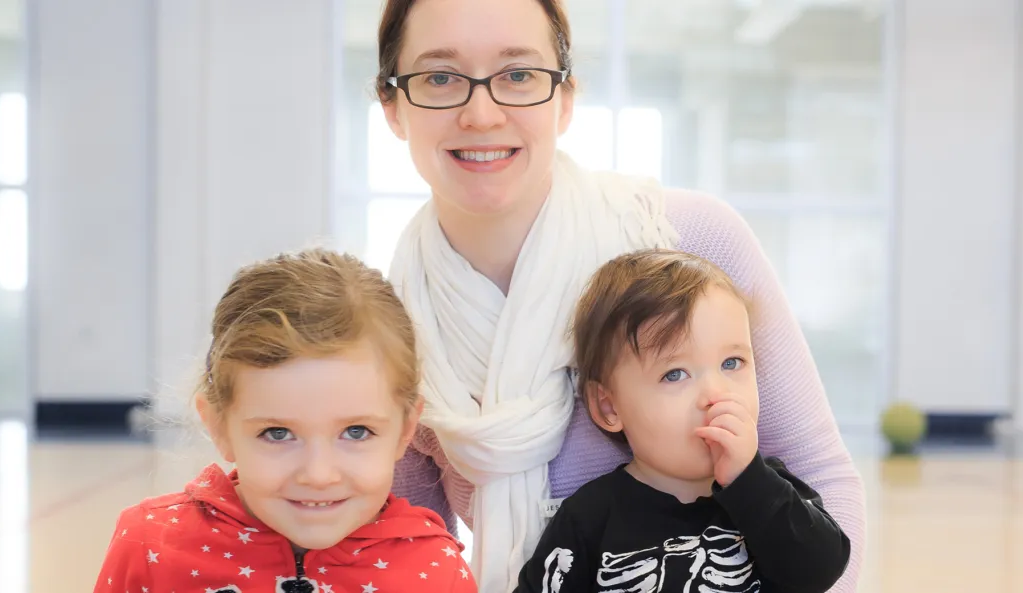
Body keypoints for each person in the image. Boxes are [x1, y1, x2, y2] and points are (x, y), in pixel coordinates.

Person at [375, 0, 866, 591]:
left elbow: (821, 476)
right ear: (392, 105)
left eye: (519, 75)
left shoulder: (691, 242)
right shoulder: (394, 328)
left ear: (565, 98)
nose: (482, 113)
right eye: (440, 77)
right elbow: (406, 549)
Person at [93, 250, 477, 593]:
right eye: (277, 433)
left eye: (356, 432)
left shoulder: (435, 571)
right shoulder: (150, 548)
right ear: (219, 427)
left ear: (405, 431)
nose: (318, 474)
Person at [514, 249, 851, 592]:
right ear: (608, 407)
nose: (715, 393)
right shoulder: (588, 519)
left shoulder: (773, 491)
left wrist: (750, 481)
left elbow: (821, 571)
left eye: (732, 363)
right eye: (675, 374)